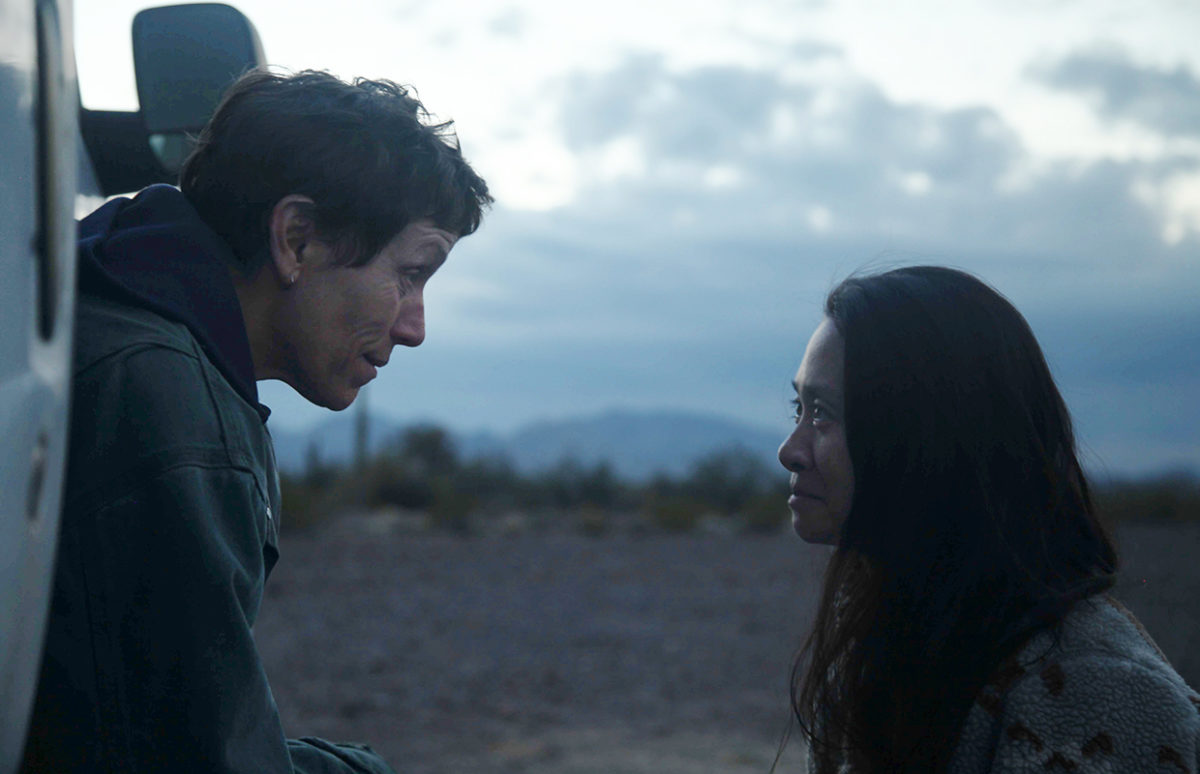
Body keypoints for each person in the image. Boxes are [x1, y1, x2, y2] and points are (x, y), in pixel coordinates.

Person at [22, 69, 491, 772]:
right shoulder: (170, 415)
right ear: (297, 239)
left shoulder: (97, 311)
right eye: (412, 272)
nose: (415, 326)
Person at [776, 266, 1199, 773]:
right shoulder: (884, 636)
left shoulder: (1092, 689)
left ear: (928, 432)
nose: (790, 451)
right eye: (798, 408)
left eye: (823, 412)